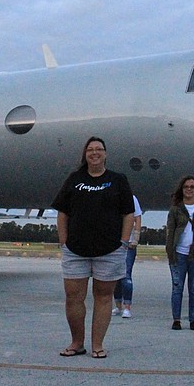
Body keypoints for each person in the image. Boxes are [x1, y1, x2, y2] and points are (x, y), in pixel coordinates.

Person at [52, 137, 135, 360]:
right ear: (85, 154)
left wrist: (124, 242)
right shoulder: (74, 179)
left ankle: (97, 345)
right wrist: (64, 241)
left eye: (99, 149)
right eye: (90, 149)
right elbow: (62, 212)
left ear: (106, 154)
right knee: (73, 297)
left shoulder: (118, 180)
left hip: (109, 250)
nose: (94, 153)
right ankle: (77, 343)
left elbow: (128, 212)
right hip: (76, 250)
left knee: (103, 297)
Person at [165, 175, 194, 330]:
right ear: (182, 189)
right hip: (179, 253)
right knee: (177, 287)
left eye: (192, 187)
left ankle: (193, 319)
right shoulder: (175, 210)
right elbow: (170, 233)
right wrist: (170, 254)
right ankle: (176, 319)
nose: (189, 189)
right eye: (186, 187)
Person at [112, 195, 142, 318]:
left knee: (126, 275)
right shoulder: (110, 195)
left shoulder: (131, 198)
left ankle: (127, 307)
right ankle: (118, 306)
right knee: (115, 277)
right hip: (113, 243)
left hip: (128, 244)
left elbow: (137, 218)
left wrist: (136, 238)